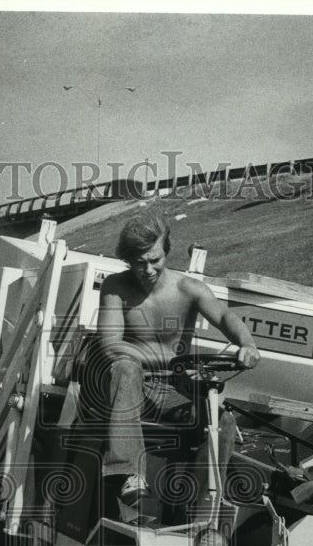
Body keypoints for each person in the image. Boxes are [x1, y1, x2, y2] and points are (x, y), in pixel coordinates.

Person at [94, 212, 261, 505]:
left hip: (174, 388)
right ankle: (129, 473)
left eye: (154, 260)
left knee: (221, 421)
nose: (147, 269)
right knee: (123, 367)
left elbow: (223, 315)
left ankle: (204, 498)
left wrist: (246, 344)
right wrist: (168, 358)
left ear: (166, 251)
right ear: (127, 259)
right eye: (139, 262)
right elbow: (111, 347)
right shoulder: (115, 287)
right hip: (132, 388)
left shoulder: (188, 288)